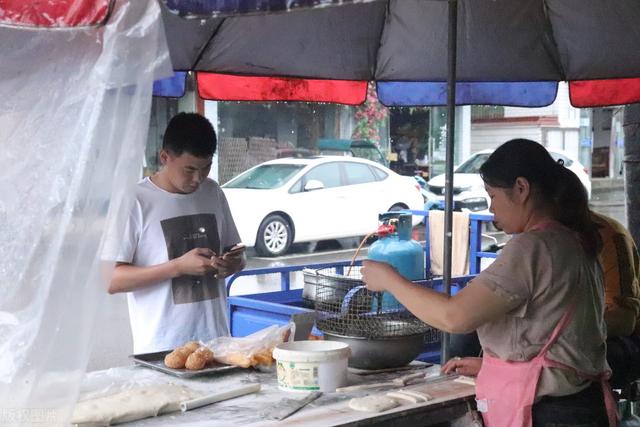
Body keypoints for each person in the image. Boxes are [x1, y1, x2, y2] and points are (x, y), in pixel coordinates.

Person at [362, 139, 617, 426]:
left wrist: (390, 279)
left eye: (493, 195)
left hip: (551, 413)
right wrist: (497, 366)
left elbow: (454, 317)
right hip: (581, 403)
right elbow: (557, 336)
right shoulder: (573, 240)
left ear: (521, 189)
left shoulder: (534, 247)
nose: (491, 208)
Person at [105, 112, 245, 354]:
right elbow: (111, 280)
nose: (198, 178)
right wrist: (177, 267)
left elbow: (238, 255)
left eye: (206, 168)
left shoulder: (213, 193)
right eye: (189, 169)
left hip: (216, 344)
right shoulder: (135, 201)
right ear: (164, 157)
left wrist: (231, 265)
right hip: (161, 349)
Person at [592, 211, 640, 388]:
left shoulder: (605, 234)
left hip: (625, 337)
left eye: (497, 195)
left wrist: (565, 334)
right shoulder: (534, 240)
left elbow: (624, 321)